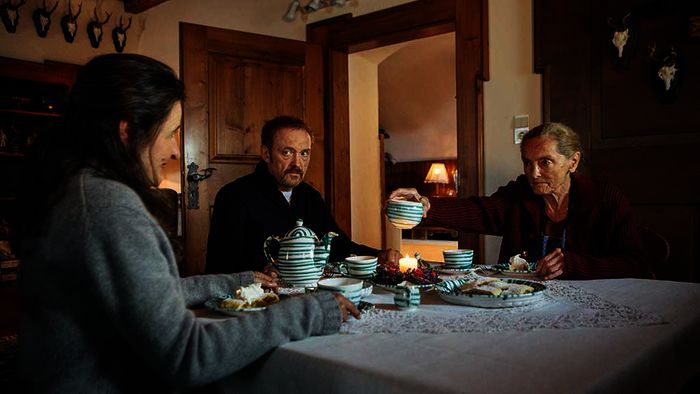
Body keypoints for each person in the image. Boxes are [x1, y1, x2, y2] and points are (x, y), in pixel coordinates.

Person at [18, 54, 359, 392]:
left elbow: (148, 295)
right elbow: (187, 354)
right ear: (127, 132)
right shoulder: (105, 204)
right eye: (170, 133)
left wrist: (235, 281)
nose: (176, 151)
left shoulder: (77, 188)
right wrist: (310, 311)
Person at [389, 122, 652, 280]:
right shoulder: (520, 194)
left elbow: (635, 263)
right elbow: (479, 211)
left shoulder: (605, 199)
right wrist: (425, 205)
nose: (533, 173)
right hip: (522, 301)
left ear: (573, 162)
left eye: (545, 162)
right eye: (528, 162)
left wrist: (573, 265)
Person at [205, 115, 401, 275]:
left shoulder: (310, 197)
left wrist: (379, 255)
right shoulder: (234, 196)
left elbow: (337, 245)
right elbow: (220, 266)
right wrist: (261, 270)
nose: (297, 163)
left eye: (304, 153)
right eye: (287, 153)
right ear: (266, 154)